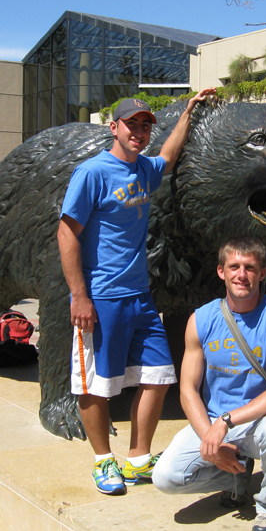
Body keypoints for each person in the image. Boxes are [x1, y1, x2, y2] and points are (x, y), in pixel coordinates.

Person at [58, 88, 216, 496]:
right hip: (101, 297)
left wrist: (191, 112)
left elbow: (170, 156)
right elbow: (67, 233)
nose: (140, 132)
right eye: (132, 124)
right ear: (114, 127)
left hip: (139, 297)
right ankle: (102, 461)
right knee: (97, 384)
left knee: (159, 375)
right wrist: (79, 295)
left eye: (146, 126)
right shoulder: (92, 173)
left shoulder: (145, 170)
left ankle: (139, 458)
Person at [153, 237, 266, 531]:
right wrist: (210, 436)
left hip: (261, 419)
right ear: (221, 271)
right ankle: (236, 477)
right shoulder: (201, 319)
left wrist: (226, 420)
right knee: (166, 477)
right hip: (215, 422)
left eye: (250, 267)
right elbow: (188, 390)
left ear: (262, 274)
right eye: (233, 267)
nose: (241, 275)